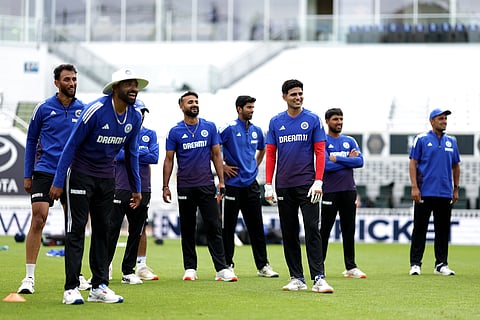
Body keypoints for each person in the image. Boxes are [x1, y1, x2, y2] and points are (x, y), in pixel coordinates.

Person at [49, 67, 148, 304]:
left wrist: (137, 188)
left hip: (107, 179)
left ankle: (99, 286)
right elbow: (70, 146)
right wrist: (57, 181)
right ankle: (71, 289)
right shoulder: (95, 110)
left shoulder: (134, 116)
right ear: (116, 88)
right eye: (128, 84)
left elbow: (132, 153)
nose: (133, 88)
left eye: (135, 84)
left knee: (103, 231)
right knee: (76, 230)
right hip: (80, 175)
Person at [18, 63, 89, 294]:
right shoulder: (43, 108)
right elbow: (30, 141)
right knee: (39, 218)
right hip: (45, 170)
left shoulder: (84, 110)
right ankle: (28, 278)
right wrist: (28, 174)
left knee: (75, 225)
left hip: (73, 173)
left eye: (74, 79)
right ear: (57, 83)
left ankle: (76, 275)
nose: (72, 84)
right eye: (67, 79)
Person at [264, 79, 333, 293]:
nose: (298, 97)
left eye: (300, 93)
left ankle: (319, 278)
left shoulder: (312, 119)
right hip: (284, 185)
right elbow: (270, 154)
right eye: (293, 94)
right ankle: (297, 278)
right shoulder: (276, 122)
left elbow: (320, 152)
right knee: (289, 232)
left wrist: (319, 180)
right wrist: (268, 184)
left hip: (308, 185)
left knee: (313, 230)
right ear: (284, 96)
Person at [162, 91, 237, 282]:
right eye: (190, 102)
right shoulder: (174, 131)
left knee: (214, 226)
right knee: (187, 227)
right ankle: (190, 268)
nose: (194, 104)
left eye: (196, 101)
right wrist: (165, 186)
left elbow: (216, 155)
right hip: (185, 187)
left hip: (206, 185)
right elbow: (169, 160)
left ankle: (222, 269)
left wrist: (221, 181)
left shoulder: (209, 127)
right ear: (181, 106)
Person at [219, 95, 279, 278]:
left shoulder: (257, 130)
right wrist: (221, 166)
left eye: (253, 107)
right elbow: (211, 148)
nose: (251, 110)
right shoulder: (228, 128)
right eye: (248, 108)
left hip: (251, 184)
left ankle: (263, 266)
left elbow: (264, 149)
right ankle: (227, 265)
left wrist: (254, 165)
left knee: (256, 227)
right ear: (239, 108)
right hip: (232, 185)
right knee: (228, 227)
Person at [107, 99, 159, 284]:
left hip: (143, 188)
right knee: (111, 229)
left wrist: (131, 153)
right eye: (139, 111)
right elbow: (116, 155)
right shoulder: (118, 132)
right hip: (120, 187)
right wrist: (137, 153)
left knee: (136, 231)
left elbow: (154, 157)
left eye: (144, 111)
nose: (142, 115)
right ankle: (105, 267)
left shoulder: (150, 134)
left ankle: (128, 271)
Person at [408, 108, 460, 276]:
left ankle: (441, 264)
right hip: (424, 191)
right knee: (420, 228)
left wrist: (456, 188)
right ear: (432, 121)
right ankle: (415, 264)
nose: (444, 121)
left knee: (443, 230)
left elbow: (456, 166)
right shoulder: (421, 139)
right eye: (440, 119)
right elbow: (413, 163)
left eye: (445, 119)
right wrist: (415, 187)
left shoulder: (452, 141)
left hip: (445, 192)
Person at [320, 108, 366, 279]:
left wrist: (338, 158)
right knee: (324, 230)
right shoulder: (322, 141)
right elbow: (325, 166)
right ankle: (319, 266)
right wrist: (349, 160)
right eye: (335, 119)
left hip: (349, 191)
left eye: (341, 119)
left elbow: (360, 162)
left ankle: (351, 267)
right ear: (327, 121)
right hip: (329, 192)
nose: (339, 122)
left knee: (349, 229)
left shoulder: (350, 140)